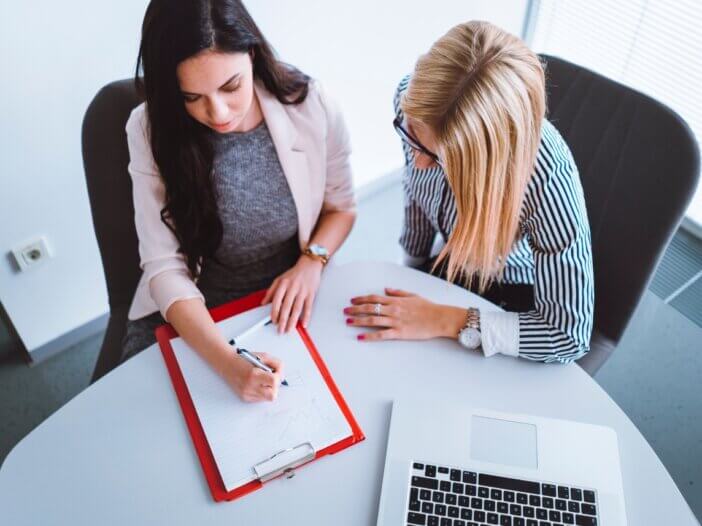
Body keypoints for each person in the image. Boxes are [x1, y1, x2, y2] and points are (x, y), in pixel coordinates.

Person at [123, 0, 356, 401]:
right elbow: (164, 268)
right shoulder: (148, 129)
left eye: (231, 86)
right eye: (191, 97)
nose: (217, 112)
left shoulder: (311, 103)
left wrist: (311, 262)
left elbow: (342, 208)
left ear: (252, 53)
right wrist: (226, 362)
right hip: (193, 306)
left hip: (286, 296)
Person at [344, 21, 594, 363]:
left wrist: (444, 319)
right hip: (446, 262)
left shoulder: (547, 176)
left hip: (506, 287)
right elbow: (416, 193)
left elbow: (567, 337)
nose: (417, 162)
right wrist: (410, 268)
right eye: (412, 138)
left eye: (437, 157)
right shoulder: (415, 106)